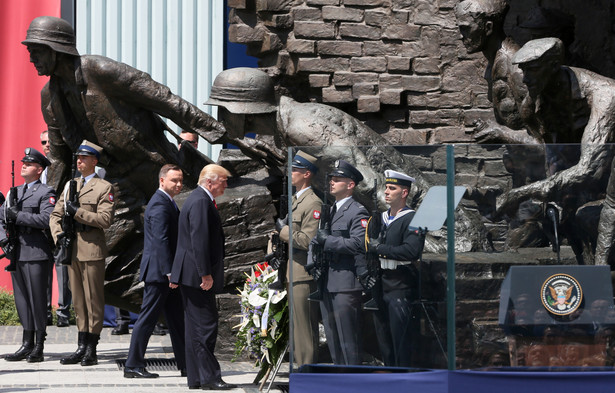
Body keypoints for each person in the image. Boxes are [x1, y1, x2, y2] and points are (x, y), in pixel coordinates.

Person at [49, 140, 115, 367]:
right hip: (72, 249)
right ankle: (80, 345)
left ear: (94, 162)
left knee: (93, 300)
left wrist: (78, 213)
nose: (79, 161)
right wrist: (59, 237)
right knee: (77, 300)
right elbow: (55, 215)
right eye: (78, 157)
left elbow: (105, 220)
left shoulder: (104, 187)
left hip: (92, 249)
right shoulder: (70, 185)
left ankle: (92, 348)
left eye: (84, 158)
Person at [170, 164, 236, 390]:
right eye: (223, 181)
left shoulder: (199, 199)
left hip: (190, 275)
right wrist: (205, 274)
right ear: (210, 181)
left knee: (195, 328)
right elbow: (199, 241)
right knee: (206, 326)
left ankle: (197, 377)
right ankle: (210, 378)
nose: (226, 185)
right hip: (197, 277)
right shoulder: (200, 201)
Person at [124, 164, 186, 379]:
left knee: (177, 318)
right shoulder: (160, 204)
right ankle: (133, 365)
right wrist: (170, 272)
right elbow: (161, 241)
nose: (178, 184)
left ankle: (186, 363)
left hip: (165, 273)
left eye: (180, 180)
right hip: (160, 274)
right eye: (174, 180)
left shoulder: (166, 201)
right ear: (162, 181)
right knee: (147, 318)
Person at [312, 160, 368, 365]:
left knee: (348, 338)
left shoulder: (357, 211)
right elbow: (316, 238)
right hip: (326, 280)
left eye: (338, 179)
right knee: (333, 336)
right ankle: (339, 379)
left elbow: (358, 244)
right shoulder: (330, 209)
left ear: (350, 184)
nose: (332, 182)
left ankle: (353, 381)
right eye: (331, 179)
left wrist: (328, 241)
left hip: (345, 282)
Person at [1, 148, 55, 363]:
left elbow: (46, 220)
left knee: (37, 299)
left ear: (39, 169)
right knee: (22, 299)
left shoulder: (45, 192)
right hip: (17, 251)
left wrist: (19, 215)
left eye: (29, 163)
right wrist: (4, 240)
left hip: (36, 251)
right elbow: (2, 217)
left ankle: (39, 344)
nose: (23, 165)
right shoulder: (13, 192)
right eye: (23, 162)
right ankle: (26, 343)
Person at [366, 170, 423, 367]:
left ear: (404, 192)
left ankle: (402, 380)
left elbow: (411, 250)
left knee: (401, 339)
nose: (386, 192)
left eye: (392, 188)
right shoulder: (380, 217)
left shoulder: (411, 218)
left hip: (400, 282)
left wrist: (380, 248)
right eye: (386, 187)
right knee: (384, 339)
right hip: (380, 281)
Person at [275, 150, 321, 366]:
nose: (291, 173)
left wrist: (283, 232)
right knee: (296, 327)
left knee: (304, 328)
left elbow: (307, 240)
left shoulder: (312, 203)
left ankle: (306, 370)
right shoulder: (296, 200)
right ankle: (299, 368)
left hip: (303, 273)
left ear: (307, 174)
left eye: (296, 170)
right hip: (292, 271)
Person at [40, 130, 73, 328]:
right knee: (44, 270)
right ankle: (45, 312)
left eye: (49, 141)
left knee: (62, 270)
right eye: (43, 142)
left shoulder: (65, 167)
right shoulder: (38, 169)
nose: (46, 145)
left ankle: (63, 312)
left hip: (60, 225)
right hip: (42, 227)